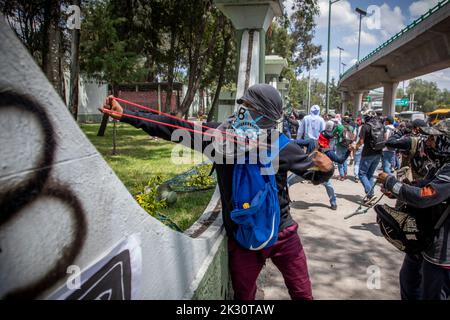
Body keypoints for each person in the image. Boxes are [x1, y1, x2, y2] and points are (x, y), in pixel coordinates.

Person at [99, 84, 334, 300]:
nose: (242, 111)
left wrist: (327, 169)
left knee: (303, 294)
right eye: (243, 104)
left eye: (250, 106)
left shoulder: (281, 146)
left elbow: (313, 173)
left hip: (282, 234)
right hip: (242, 236)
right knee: (243, 298)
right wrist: (128, 114)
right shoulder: (218, 140)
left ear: (267, 113)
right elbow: (173, 127)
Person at [377, 122, 450, 300]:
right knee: (409, 281)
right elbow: (421, 186)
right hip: (424, 238)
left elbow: (426, 195)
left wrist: (391, 183)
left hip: (441, 251)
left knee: (432, 294)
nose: (429, 141)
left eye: (434, 138)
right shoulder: (440, 164)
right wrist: (399, 191)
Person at [355, 110, 384, 203]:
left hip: (368, 154)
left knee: (361, 174)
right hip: (378, 153)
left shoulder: (365, 126)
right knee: (370, 175)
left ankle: (371, 194)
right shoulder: (381, 125)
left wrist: (355, 147)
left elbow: (361, 141)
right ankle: (369, 198)